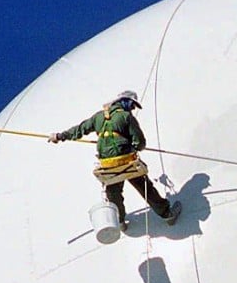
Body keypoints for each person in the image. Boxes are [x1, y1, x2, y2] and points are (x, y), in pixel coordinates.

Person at [49, 90, 180, 231]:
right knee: (144, 187)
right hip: (127, 161)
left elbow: (80, 129)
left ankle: (120, 222)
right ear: (125, 102)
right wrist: (135, 146)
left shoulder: (98, 117)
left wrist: (59, 136)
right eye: (132, 105)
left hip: (108, 165)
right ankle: (167, 214)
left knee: (113, 193)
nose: (132, 109)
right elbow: (140, 142)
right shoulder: (126, 117)